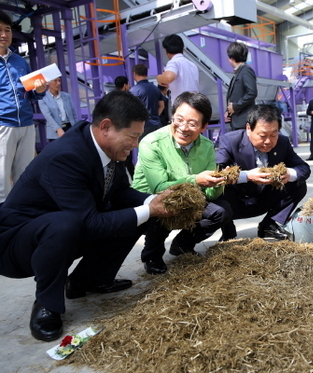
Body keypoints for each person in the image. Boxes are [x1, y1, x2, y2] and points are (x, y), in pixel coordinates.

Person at [0, 90, 175, 342]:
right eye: (133, 136)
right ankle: (47, 304)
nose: (135, 144)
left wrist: (153, 202)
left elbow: (121, 193)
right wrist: (150, 209)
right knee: (66, 223)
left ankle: (87, 281)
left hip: (64, 229)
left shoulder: (108, 148)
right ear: (106, 127)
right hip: (16, 243)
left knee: (135, 214)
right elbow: (87, 224)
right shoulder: (67, 155)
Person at [132, 92, 233, 275]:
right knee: (165, 204)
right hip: (152, 199)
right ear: (172, 117)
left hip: (189, 197)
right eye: (179, 119)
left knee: (221, 211)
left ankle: (182, 245)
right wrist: (196, 179)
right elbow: (158, 187)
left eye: (192, 124)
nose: (183, 127)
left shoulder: (207, 146)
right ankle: (152, 255)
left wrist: (218, 181)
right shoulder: (151, 143)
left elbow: (210, 195)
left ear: (203, 127)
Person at [216, 105, 310, 240]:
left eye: (273, 135)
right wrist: (247, 176)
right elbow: (217, 172)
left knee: (299, 185)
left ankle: (268, 225)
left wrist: (288, 174)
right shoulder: (230, 141)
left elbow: (303, 168)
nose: (268, 141)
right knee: (218, 190)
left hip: (264, 198)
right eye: (262, 135)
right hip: (236, 201)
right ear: (249, 128)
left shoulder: (282, 142)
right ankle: (228, 231)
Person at [0, 10, 47, 203]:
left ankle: (21, 214)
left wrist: (41, 89)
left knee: (25, 175)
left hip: (26, 124)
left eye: (7, 30)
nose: (4, 34)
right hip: (3, 125)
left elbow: (32, 94)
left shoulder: (20, 61)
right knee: (1, 178)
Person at [157, 34, 199, 104]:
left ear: (166, 51)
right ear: (183, 49)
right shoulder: (193, 65)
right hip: (195, 104)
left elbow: (169, 77)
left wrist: (159, 78)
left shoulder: (173, 62)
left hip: (182, 106)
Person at [225, 41, 258, 130]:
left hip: (244, 121)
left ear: (231, 58)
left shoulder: (246, 71)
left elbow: (252, 93)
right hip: (237, 121)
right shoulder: (239, 72)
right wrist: (228, 111)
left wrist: (235, 107)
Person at [129, 63, 165, 137]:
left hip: (143, 126)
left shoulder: (134, 90)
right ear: (146, 74)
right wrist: (155, 117)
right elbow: (162, 106)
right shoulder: (156, 89)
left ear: (134, 74)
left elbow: (130, 110)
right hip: (157, 124)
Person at [38, 77, 78, 142]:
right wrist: (58, 129)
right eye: (55, 81)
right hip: (55, 131)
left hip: (70, 128)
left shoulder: (67, 96)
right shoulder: (43, 98)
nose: (58, 83)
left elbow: (74, 115)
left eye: (59, 80)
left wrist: (76, 127)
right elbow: (48, 116)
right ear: (48, 83)